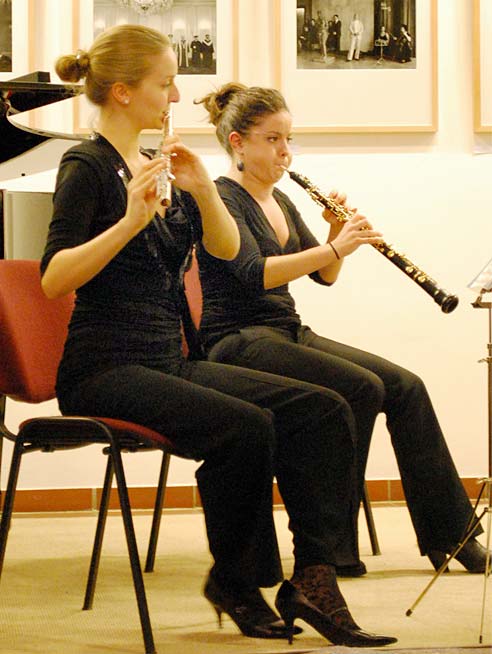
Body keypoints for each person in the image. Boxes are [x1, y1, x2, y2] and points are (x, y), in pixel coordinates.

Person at [40, 25, 395, 648]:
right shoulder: (86, 166)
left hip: (167, 357)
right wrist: (128, 221)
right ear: (122, 92)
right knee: (245, 426)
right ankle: (238, 581)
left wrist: (203, 189)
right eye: (165, 82)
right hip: (103, 368)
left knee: (323, 407)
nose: (176, 94)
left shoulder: (157, 165)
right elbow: (52, 278)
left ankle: (313, 575)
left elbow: (229, 252)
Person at [195, 82, 491, 583]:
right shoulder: (222, 199)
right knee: (359, 386)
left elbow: (323, 276)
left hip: (284, 331)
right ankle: (330, 549)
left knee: (405, 385)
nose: (285, 151)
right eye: (272, 140)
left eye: (288, 139)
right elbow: (255, 271)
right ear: (238, 143)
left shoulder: (282, 200)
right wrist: (338, 247)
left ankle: (451, 534)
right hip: (237, 338)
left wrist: (334, 232)